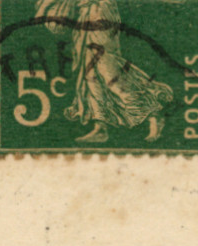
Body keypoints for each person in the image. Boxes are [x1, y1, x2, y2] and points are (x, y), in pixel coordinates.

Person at [39, 0, 174, 143]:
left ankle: (154, 114)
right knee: (90, 75)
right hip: (86, 15)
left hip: (101, 15)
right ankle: (100, 127)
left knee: (110, 73)